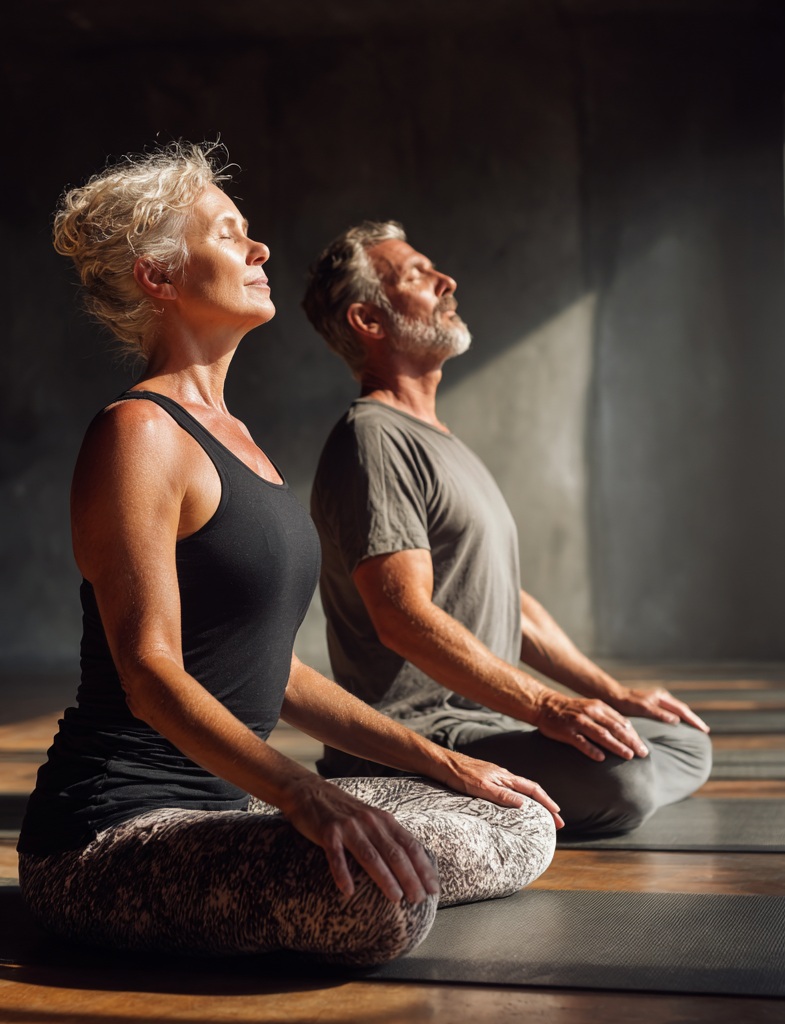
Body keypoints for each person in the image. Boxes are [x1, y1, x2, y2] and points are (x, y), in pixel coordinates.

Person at [16, 146, 560, 968]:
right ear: (160, 278)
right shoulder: (138, 436)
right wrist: (304, 791)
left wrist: (447, 762)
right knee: (378, 901)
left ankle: (383, 827)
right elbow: (150, 672)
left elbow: (275, 673)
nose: (260, 249)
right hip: (112, 834)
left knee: (510, 808)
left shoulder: (241, 444)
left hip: (228, 815)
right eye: (232, 234)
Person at [302, 221, 713, 838]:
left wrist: (613, 694)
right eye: (417, 274)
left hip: (487, 721)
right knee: (623, 783)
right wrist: (544, 706)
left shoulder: (438, 440)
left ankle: (509, 798)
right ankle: (414, 789)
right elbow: (401, 617)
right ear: (369, 320)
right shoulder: (373, 439)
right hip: (422, 732)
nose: (447, 281)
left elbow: (506, 606)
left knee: (683, 742)